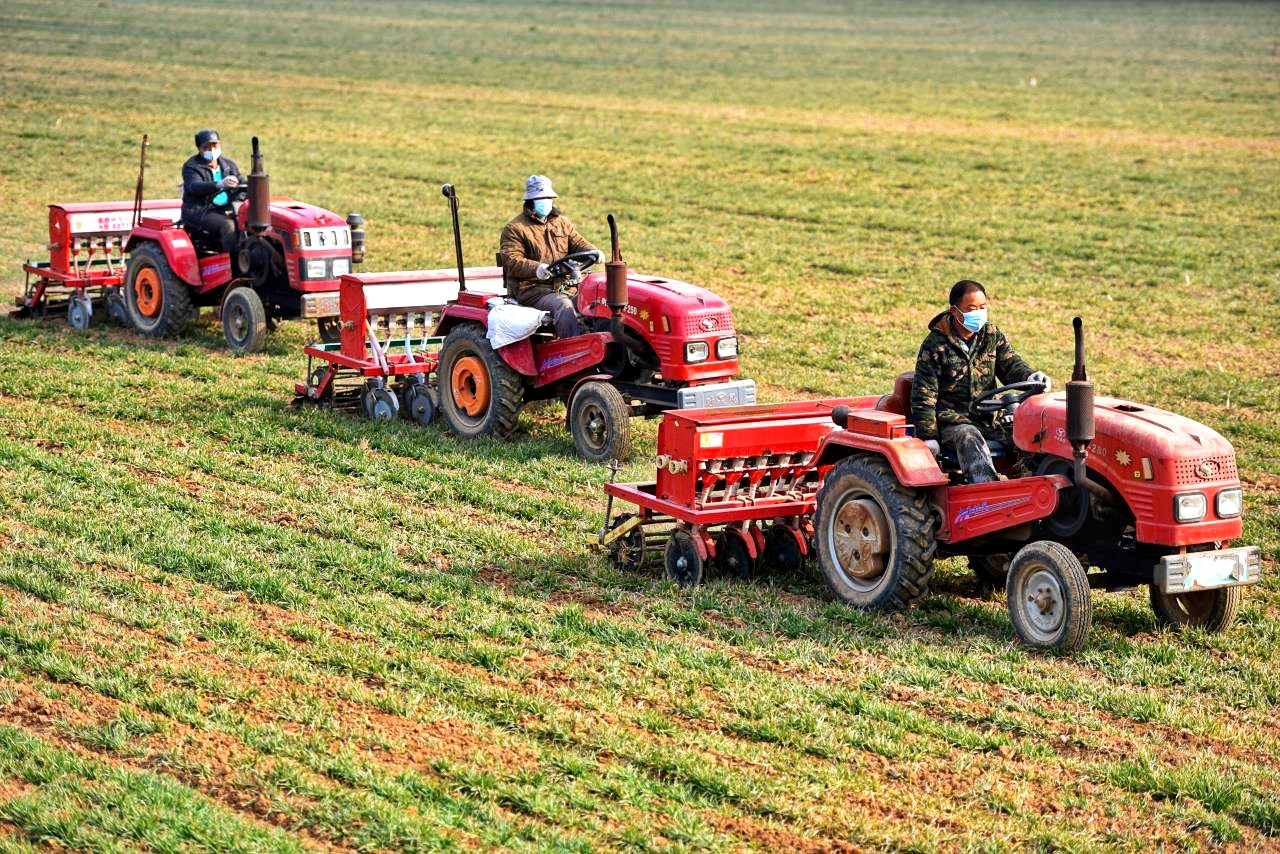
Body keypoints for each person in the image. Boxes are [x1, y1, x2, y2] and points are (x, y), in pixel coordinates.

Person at [910, 279, 1051, 483]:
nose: (978, 313)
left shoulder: (991, 334)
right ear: (955, 311)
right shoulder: (935, 345)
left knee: (1029, 431)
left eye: (982, 307)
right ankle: (987, 492)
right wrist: (928, 437)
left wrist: (1030, 377)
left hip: (989, 416)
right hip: (952, 421)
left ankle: (1039, 485)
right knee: (969, 435)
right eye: (972, 308)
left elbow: (1011, 364)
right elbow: (924, 395)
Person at [498, 175, 603, 338]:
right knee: (564, 306)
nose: (545, 201)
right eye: (540, 198)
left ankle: (606, 348)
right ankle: (574, 352)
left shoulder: (562, 223)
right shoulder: (515, 229)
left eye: (548, 197)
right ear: (530, 201)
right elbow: (512, 260)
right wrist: (537, 269)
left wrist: (594, 251)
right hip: (533, 289)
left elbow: (578, 242)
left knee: (597, 299)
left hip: (564, 286)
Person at [181, 129, 245, 254]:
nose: (212, 150)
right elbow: (194, 186)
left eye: (215, 145)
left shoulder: (228, 165)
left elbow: (240, 179)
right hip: (200, 211)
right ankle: (234, 264)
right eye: (206, 147)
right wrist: (218, 184)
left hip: (226, 208)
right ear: (199, 149)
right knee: (228, 226)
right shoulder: (192, 167)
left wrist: (245, 182)